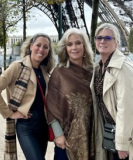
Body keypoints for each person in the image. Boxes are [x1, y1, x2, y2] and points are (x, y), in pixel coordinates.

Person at [91, 23, 133, 160]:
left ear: (117, 42)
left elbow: (126, 108)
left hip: (128, 131)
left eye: (108, 38)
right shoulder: (98, 67)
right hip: (112, 129)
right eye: (99, 37)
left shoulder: (122, 68)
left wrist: (122, 143)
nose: (102, 41)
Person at [0, 33, 55, 160]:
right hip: (26, 126)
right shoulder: (17, 67)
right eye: (38, 45)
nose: (41, 49)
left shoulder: (45, 71)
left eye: (46, 47)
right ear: (30, 46)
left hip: (43, 126)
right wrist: (9, 113)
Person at [46, 28, 95, 160]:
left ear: (84, 46)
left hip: (92, 135)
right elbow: (51, 107)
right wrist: (58, 134)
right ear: (65, 48)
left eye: (78, 43)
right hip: (66, 138)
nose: (74, 47)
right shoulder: (59, 73)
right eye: (69, 44)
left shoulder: (94, 72)